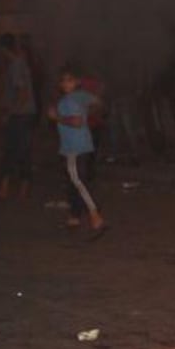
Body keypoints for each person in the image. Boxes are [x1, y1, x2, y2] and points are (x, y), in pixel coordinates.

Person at [48, 64, 106, 233]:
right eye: (63, 80)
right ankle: (74, 216)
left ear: (77, 82)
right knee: (73, 182)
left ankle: (95, 214)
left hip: (74, 147)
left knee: (77, 181)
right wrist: (89, 111)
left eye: (70, 80)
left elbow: (77, 122)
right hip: (84, 145)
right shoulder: (81, 96)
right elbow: (99, 103)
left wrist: (56, 117)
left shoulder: (69, 101)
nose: (66, 83)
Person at [0, 33, 37, 200]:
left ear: (3, 49)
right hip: (24, 115)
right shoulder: (20, 64)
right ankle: (20, 190)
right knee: (21, 152)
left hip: (21, 116)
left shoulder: (16, 65)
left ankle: (8, 189)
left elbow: (23, 93)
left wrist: (9, 113)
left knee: (13, 151)